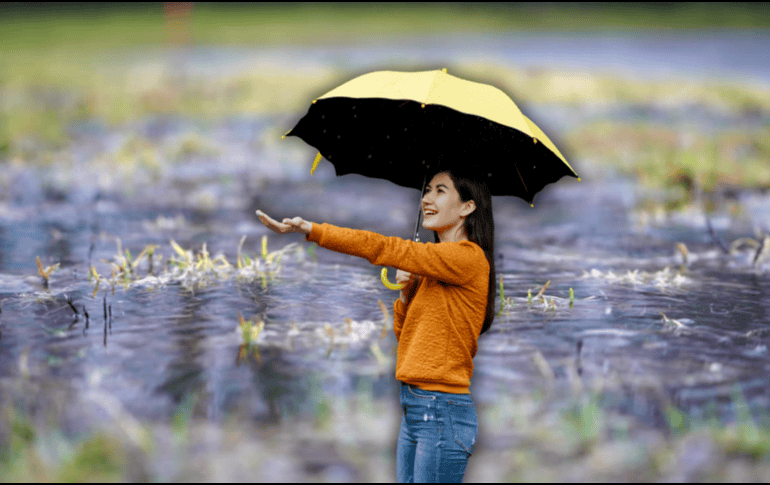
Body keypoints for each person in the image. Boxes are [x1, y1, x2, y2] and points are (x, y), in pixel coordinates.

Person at [256, 168, 496, 483]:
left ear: (467, 207)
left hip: (441, 410)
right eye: (427, 190)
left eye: (440, 191)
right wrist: (407, 294)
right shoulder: (434, 265)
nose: (427, 199)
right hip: (416, 407)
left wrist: (313, 229)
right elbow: (409, 338)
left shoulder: (468, 258)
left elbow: (383, 247)